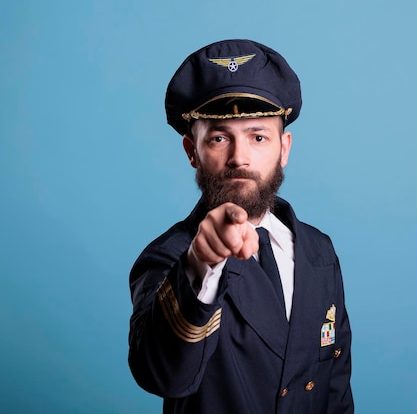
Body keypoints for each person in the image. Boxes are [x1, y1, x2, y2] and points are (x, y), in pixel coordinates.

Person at [128, 39, 353, 414]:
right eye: (219, 138)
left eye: (258, 136)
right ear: (191, 152)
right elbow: (161, 375)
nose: (239, 157)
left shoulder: (320, 251)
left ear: (284, 148)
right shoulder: (169, 258)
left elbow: (336, 389)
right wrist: (200, 263)